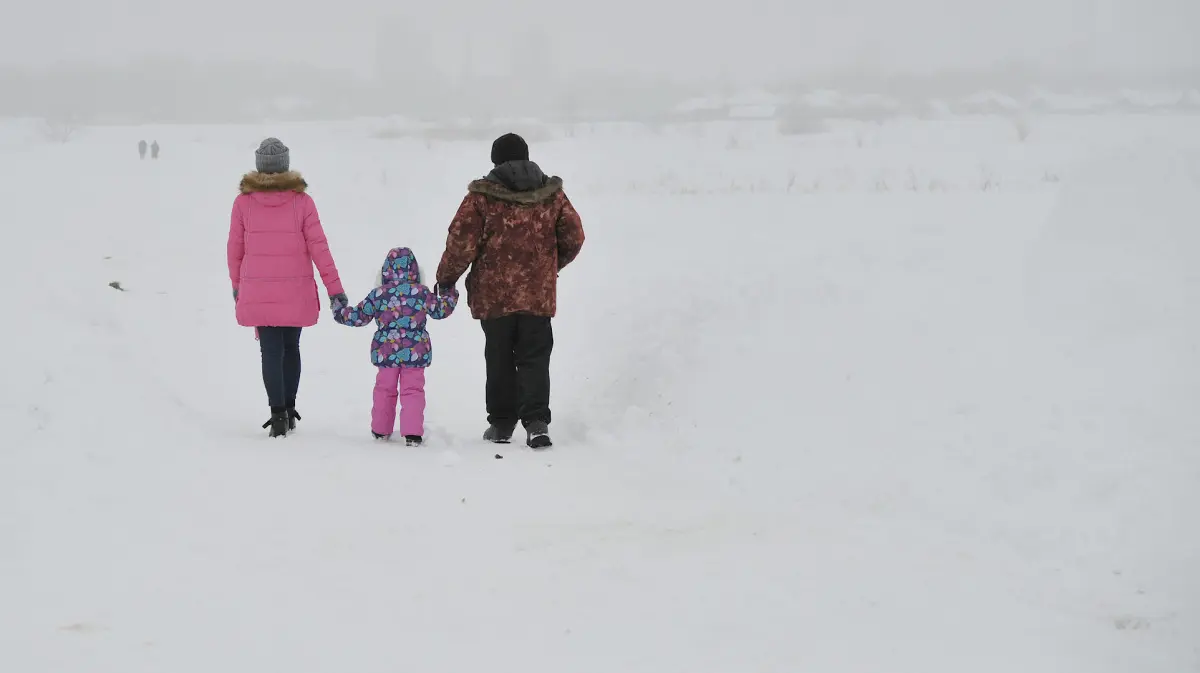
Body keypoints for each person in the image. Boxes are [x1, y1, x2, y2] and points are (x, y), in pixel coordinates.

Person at [435, 133, 585, 449]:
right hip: (537, 295)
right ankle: (537, 423)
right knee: (535, 357)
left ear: (495, 161)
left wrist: (445, 279)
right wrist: (549, 268)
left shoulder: (481, 198)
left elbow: (460, 244)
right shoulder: (552, 195)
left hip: (494, 296)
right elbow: (574, 236)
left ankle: (502, 424)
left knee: (499, 356)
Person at [227, 138, 347, 437]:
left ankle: (277, 414)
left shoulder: (243, 203)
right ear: (285, 165)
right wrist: (335, 290)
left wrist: (237, 286)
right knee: (291, 348)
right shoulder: (302, 202)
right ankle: (290, 408)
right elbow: (320, 248)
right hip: (296, 290)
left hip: (257, 290)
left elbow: (234, 249)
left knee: (270, 350)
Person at [331, 247, 459, 445]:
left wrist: (339, 309)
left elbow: (357, 316)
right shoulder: (421, 293)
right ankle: (412, 432)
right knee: (413, 390)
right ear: (415, 271)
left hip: (386, 353)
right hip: (415, 354)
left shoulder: (379, 295)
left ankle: (380, 430)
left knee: (384, 389)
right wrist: (449, 293)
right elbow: (441, 310)